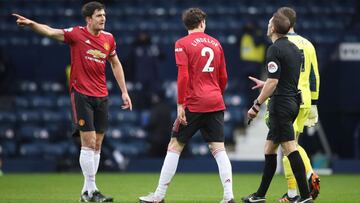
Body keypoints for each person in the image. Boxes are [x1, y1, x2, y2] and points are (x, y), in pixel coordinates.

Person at [13, 1, 132, 202]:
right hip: (81, 94)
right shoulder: (76, 34)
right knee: (89, 142)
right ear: (88, 19)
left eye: (104, 15)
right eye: (98, 15)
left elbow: (115, 63)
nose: (103, 18)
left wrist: (124, 92)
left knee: (98, 144)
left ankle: (87, 192)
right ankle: (92, 191)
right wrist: (32, 24)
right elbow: (51, 32)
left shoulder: (109, 39)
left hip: (102, 95)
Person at [139, 8, 235, 203]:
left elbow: (183, 75)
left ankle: (158, 196)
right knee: (219, 149)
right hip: (216, 101)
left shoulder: (182, 43)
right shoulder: (216, 43)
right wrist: (217, 94)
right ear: (201, 23)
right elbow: (223, 76)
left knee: (175, 145)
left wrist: (180, 103)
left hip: (194, 102)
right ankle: (228, 196)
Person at [248, 7, 321, 202]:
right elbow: (313, 75)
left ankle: (298, 192)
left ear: (276, 26)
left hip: (281, 102)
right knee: (273, 148)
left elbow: (274, 80)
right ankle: (260, 195)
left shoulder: (276, 47)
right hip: (299, 99)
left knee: (290, 147)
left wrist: (256, 104)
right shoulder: (302, 45)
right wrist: (313, 101)